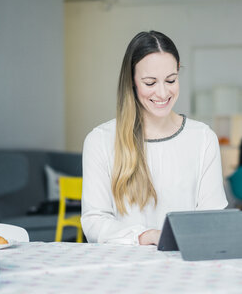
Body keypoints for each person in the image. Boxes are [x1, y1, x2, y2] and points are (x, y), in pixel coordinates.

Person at [81, 31, 228, 245]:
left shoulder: (203, 138)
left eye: (171, 80)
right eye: (150, 82)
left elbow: (213, 219)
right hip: (122, 268)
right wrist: (145, 236)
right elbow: (94, 222)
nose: (162, 93)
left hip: (186, 266)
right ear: (132, 81)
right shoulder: (100, 141)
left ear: (178, 72)